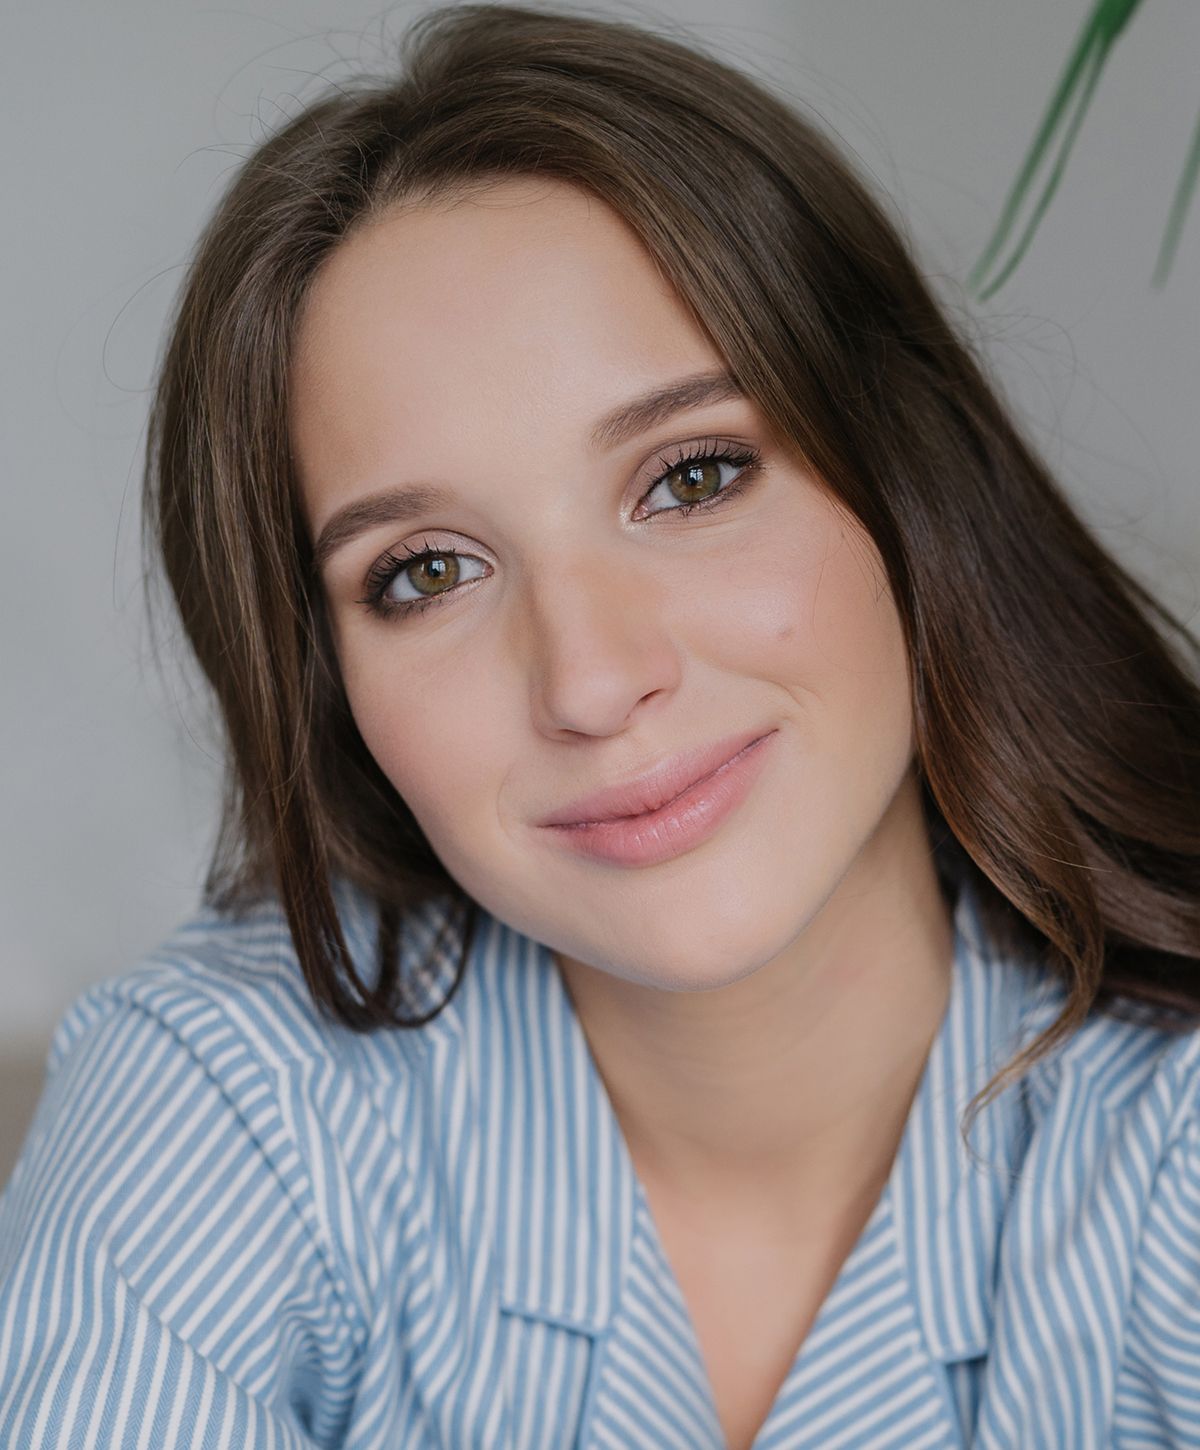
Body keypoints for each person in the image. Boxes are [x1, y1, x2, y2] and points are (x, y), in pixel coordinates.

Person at [2, 5, 1199, 1447]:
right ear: (329, 689)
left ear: (903, 476)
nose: (588, 679)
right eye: (426, 572)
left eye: (690, 477)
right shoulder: (227, 1100)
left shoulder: (1164, 1137)